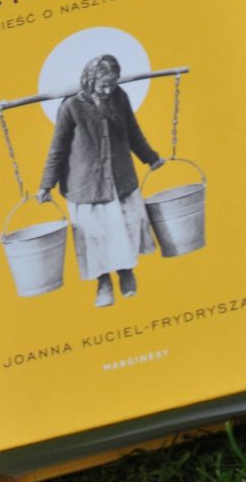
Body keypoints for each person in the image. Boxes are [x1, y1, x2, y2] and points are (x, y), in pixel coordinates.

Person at [37, 54, 164, 307]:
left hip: (120, 178)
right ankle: (103, 283)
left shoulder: (119, 97)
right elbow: (57, 148)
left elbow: (133, 132)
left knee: (124, 230)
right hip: (87, 185)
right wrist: (46, 185)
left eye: (112, 83)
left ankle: (126, 273)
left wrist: (150, 158)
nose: (107, 90)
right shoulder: (71, 106)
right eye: (103, 84)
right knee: (96, 236)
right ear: (90, 79)